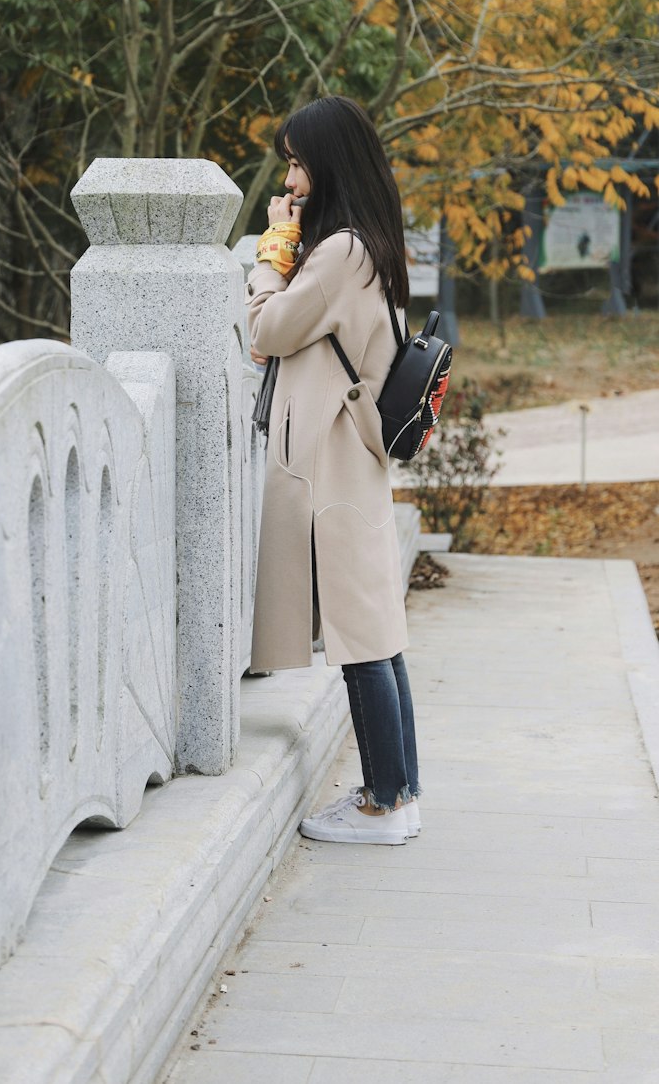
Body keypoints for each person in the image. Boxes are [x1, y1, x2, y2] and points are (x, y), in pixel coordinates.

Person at [246, 94, 421, 846]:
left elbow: (268, 330)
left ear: (327, 164)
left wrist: (268, 256)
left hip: (335, 463)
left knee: (359, 639)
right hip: (351, 455)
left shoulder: (340, 250)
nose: (290, 178)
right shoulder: (368, 243)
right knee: (375, 631)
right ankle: (400, 792)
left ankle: (385, 804)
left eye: (296, 161)